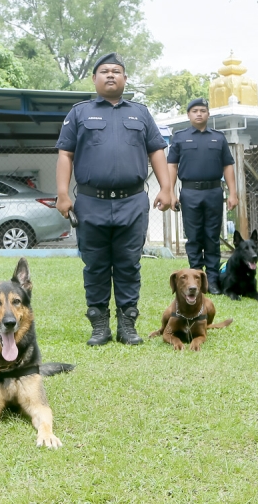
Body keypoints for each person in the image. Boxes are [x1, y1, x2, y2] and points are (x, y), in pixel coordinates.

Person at [55, 53, 174, 346]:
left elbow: (157, 151)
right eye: (105, 71)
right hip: (90, 203)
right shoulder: (79, 113)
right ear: (95, 79)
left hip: (131, 203)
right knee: (94, 265)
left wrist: (166, 187)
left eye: (117, 71)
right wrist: (61, 194)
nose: (111, 75)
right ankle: (99, 326)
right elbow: (65, 154)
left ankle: (127, 326)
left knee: (128, 264)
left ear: (125, 79)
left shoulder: (141, 114)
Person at [167, 98, 237, 295]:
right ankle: (195, 279)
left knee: (212, 237)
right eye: (195, 111)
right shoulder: (179, 138)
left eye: (203, 110)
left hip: (214, 191)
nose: (199, 114)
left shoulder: (218, 138)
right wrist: (170, 192)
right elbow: (171, 165)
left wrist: (233, 193)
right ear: (188, 115)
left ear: (208, 114)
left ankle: (212, 280)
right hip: (189, 193)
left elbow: (228, 165)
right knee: (194, 237)